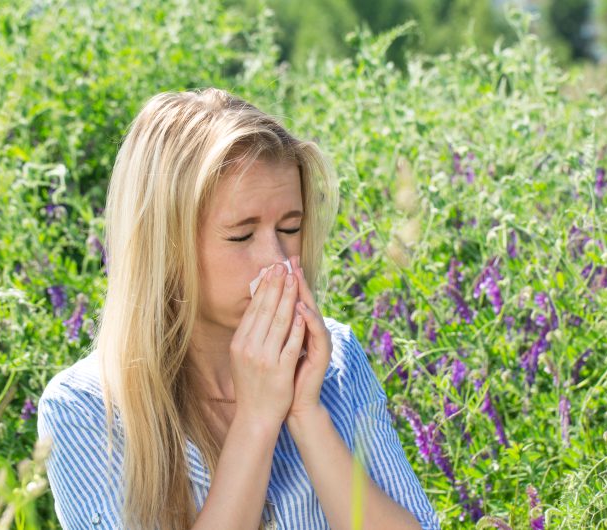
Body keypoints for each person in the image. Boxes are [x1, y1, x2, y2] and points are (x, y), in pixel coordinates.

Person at [36, 88, 441, 530]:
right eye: (241, 236)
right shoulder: (87, 408)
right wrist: (256, 421)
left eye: (291, 227)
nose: (277, 259)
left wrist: (307, 415)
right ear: (165, 247)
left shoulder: (336, 360)